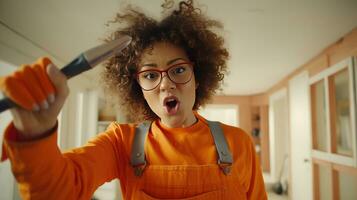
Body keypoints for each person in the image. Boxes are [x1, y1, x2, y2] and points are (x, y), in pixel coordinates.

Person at [0, 0, 267, 199]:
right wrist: (36, 134)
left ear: (198, 77)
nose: (165, 84)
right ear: (137, 86)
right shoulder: (121, 142)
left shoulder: (237, 143)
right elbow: (56, 192)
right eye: (150, 75)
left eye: (178, 70)